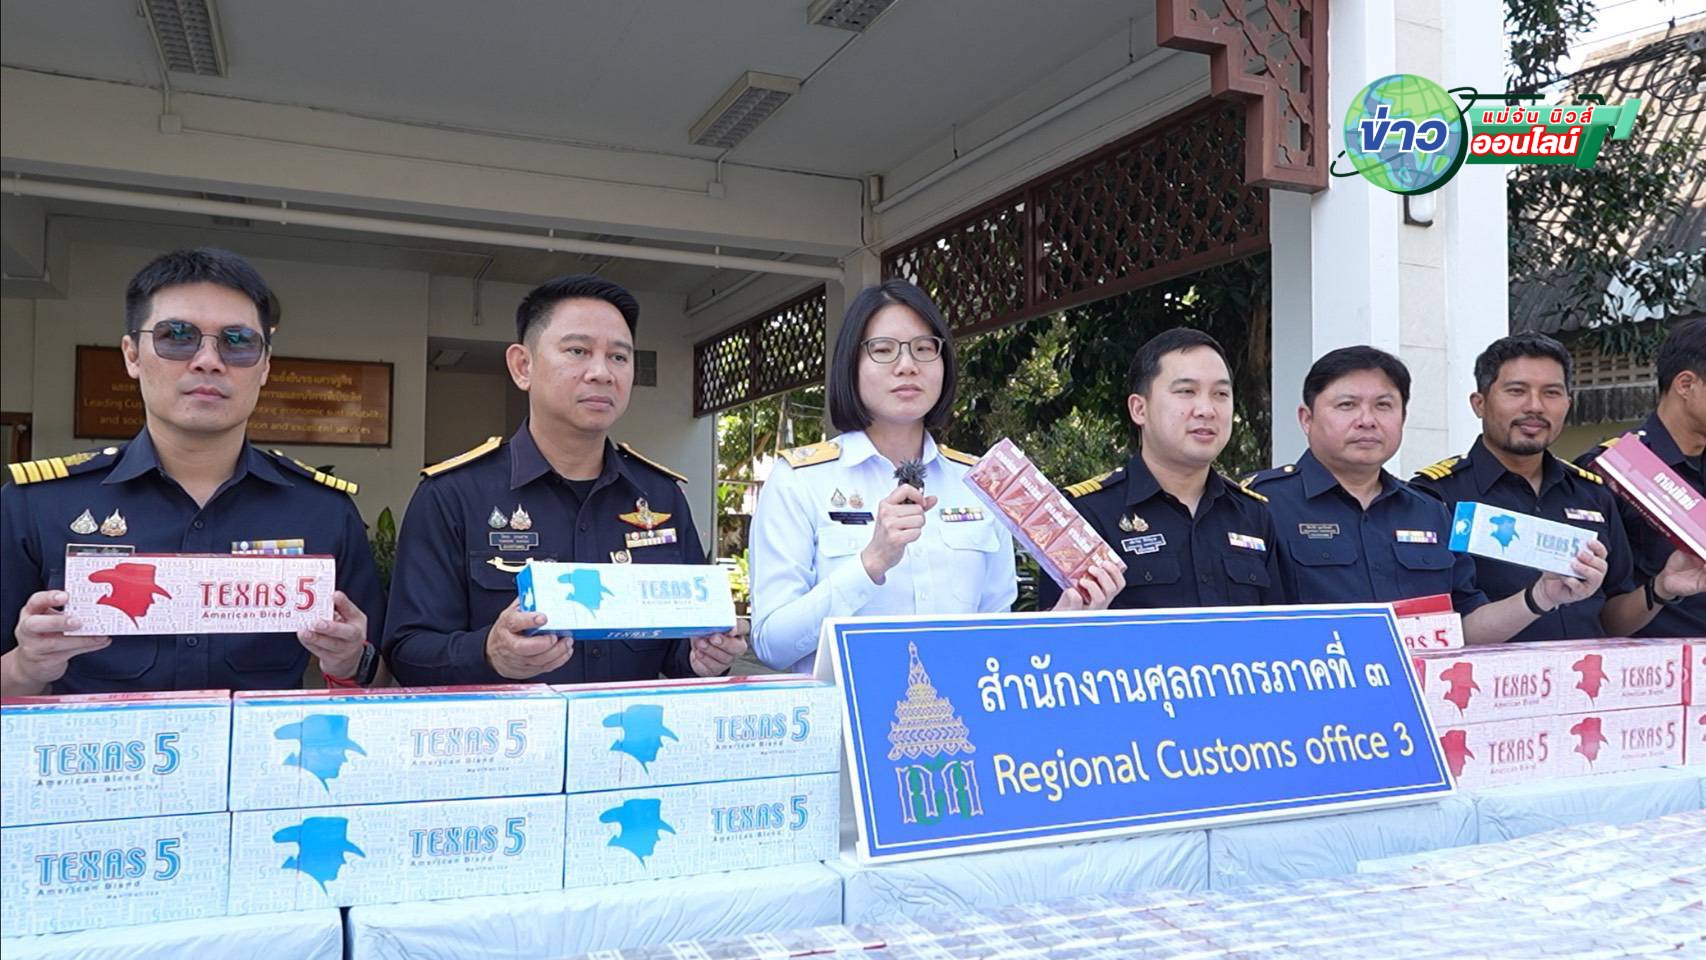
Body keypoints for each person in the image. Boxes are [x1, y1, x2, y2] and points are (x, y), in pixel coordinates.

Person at [1, 248, 384, 695]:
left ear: (265, 367)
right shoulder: (37, 504)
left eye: (238, 341)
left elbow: (383, 680)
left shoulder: (323, 511)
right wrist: (26, 666)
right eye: (177, 336)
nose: (208, 360)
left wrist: (352, 660)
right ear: (132, 355)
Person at [384, 275, 747, 684]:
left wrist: (704, 658)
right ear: (523, 366)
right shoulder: (452, 496)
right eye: (578, 351)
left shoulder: (660, 497)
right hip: (511, 725)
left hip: (629, 725)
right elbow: (406, 652)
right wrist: (489, 653)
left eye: (619, 357)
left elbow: (681, 648)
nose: (601, 373)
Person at [750, 280, 1120, 674]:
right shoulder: (800, 481)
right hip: (845, 711)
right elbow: (772, 644)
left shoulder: (980, 483)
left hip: (964, 709)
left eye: (924, 349)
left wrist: (1061, 621)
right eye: (883, 349)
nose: (907, 365)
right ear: (850, 365)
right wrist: (871, 562)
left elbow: (996, 638)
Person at [1247, 346, 1606, 642]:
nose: (1367, 420)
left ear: (1402, 418)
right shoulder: (1260, 507)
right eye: (1347, 405)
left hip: (1421, 703)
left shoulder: (1430, 512)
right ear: (1306, 418)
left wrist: (1541, 596)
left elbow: (1465, 627)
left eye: (1384, 405)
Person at [1411, 332, 1704, 641]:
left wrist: (1661, 588)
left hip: (1588, 670)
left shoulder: (1591, 493)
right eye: (1516, 391)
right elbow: (1441, 630)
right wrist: (1538, 598)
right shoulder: (1436, 497)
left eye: (1551, 393)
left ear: (1568, 404)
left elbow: (1610, 620)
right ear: (1479, 404)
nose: (1535, 406)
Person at [1040, 327, 1285, 610]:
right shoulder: (1084, 515)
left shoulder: (1252, 514)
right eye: (1186, 391)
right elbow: (1054, 631)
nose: (1206, 409)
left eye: (1220, 393)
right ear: (1139, 409)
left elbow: (1279, 629)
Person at [1573, 318, 1706, 637]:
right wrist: (1660, 589)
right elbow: (1587, 608)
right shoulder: (1613, 469)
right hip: (1654, 662)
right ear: (1685, 385)